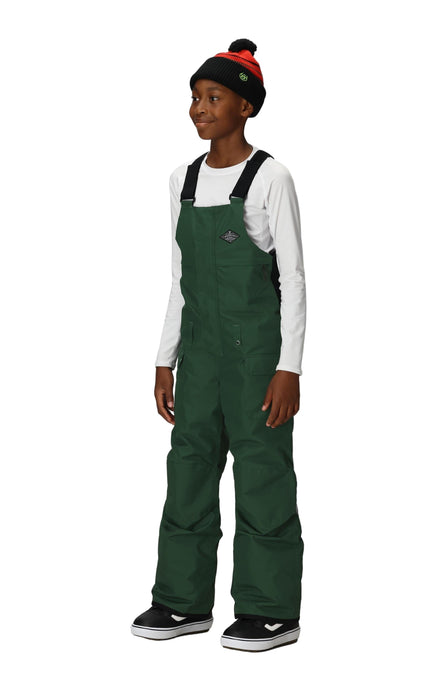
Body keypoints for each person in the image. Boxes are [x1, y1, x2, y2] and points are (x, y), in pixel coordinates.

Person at [131, 38, 306, 653]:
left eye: (214, 98)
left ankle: (270, 609)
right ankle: (181, 602)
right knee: (188, 469)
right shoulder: (181, 181)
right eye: (195, 98)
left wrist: (289, 367)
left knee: (262, 472)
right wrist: (165, 358)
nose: (199, 109)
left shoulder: (270, 177)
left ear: (245, 107)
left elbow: (294, 278)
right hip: (200, 355)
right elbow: (179, 279)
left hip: (257, 355)